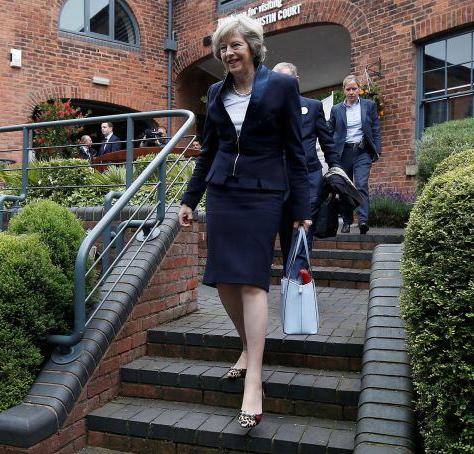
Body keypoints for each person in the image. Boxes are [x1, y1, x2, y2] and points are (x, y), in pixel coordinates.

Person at [178, 15, 311, 429]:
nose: (229, 53)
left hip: (264, 193)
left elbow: (296, 150)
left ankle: (254, 377)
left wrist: (303, 210)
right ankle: (247, 346)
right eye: (223, 47)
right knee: (223, 279)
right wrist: (189, 199)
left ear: (253, 46)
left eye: (236, 45)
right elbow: (209, 150)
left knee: (252, 280)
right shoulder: (216, 92)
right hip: (222, 192)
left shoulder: (282, 86)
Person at [272, 62, 339, 277]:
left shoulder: (313, 107)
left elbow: (328, 143)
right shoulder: (269, 110)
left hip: (309, 177)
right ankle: (292, 280)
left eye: (283, 80)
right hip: (279, 180)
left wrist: (336, 170)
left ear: (296, 81)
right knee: (285, 233)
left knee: (303, 229)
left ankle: (295, 283)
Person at [327, 75, 381, 234]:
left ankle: (363, 220)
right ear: (344, 90)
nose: (351, 92)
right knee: (344, 187)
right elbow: (330, 132)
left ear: (359, 89)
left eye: (354, 89)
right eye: (348, 89)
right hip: (342, 153)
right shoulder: (336, 109)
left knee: (361, 184)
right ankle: (347, 221)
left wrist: (377, 150)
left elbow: (375, 129)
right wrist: (330, 154)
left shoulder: (368, 105)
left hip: (362, 152)